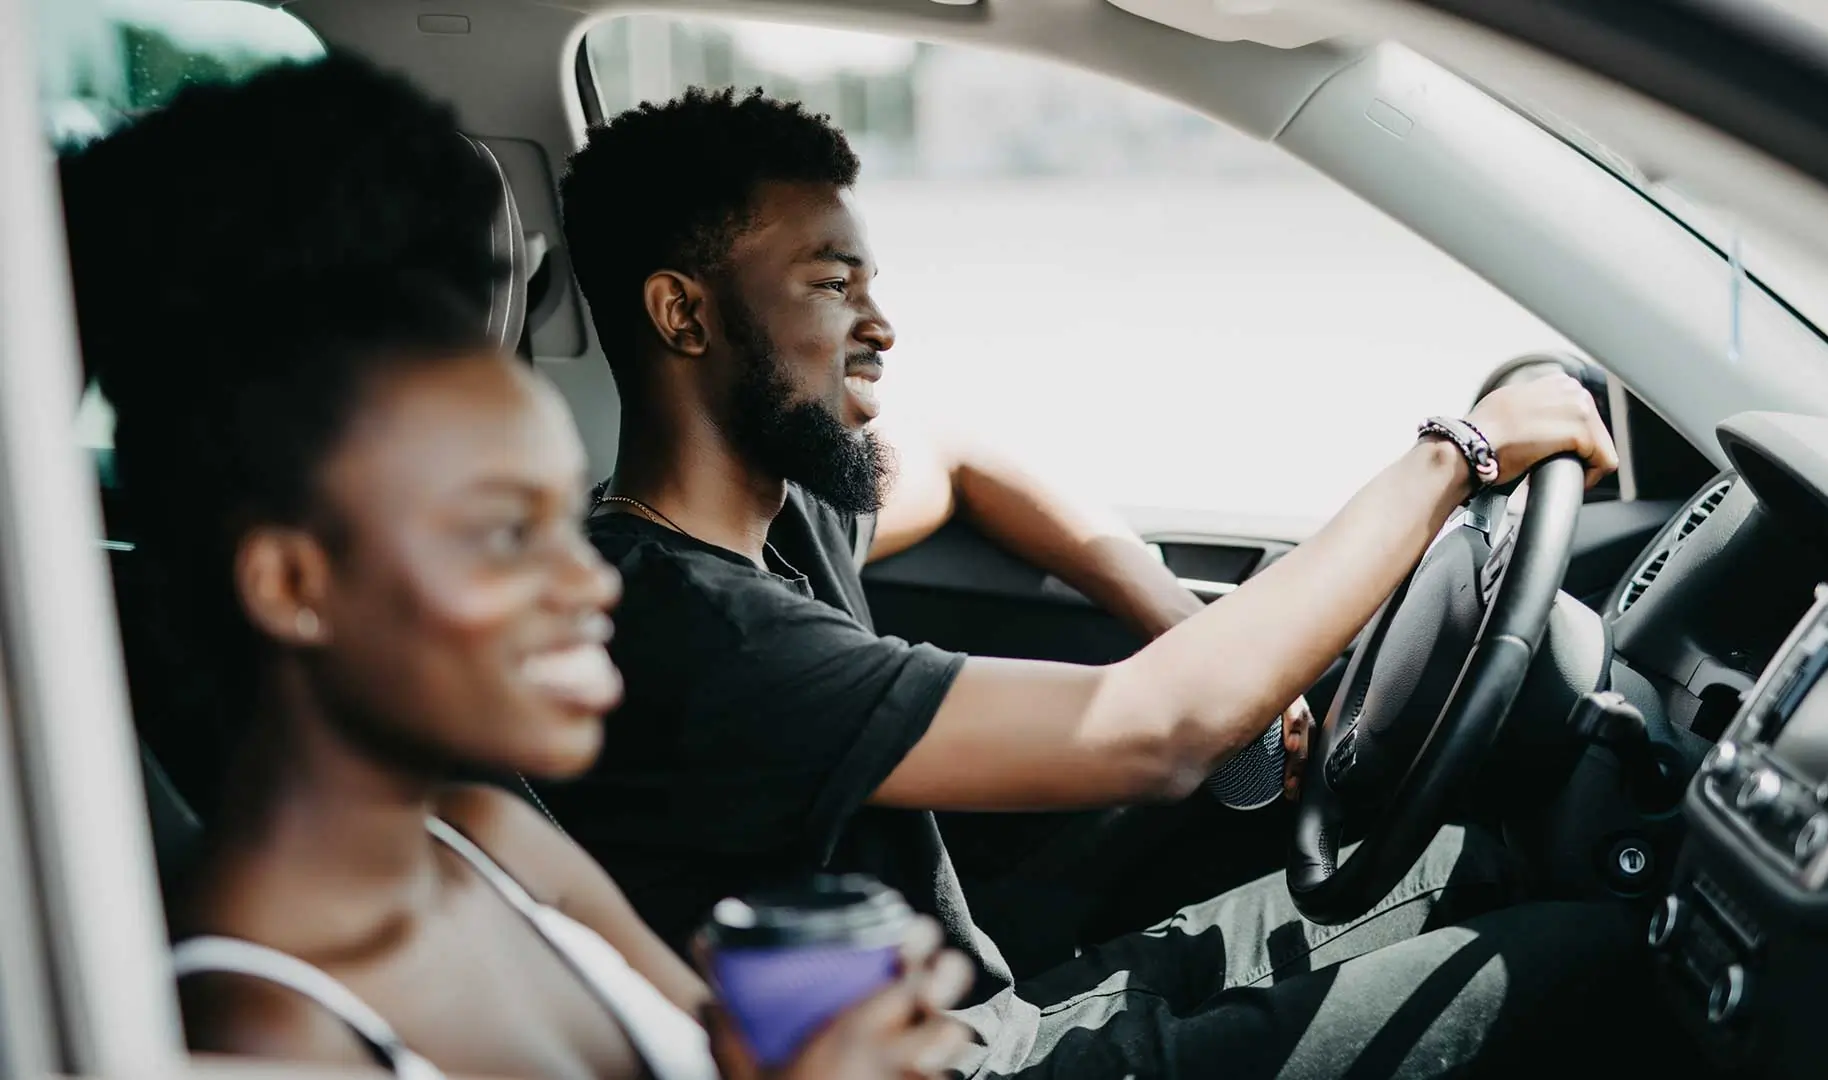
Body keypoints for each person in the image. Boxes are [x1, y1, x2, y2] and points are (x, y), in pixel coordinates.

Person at [549, 88, 1662, 1077]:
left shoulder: (780, 516)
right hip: (948, 1064)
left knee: (1487, 866)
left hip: (985, 1017)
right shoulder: (687, 628)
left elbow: (966, 460)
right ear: (683, 313)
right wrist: (1454, 456)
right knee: (1586, 964)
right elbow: (1154, 729)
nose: (880, 325)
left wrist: (1169, 607)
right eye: (832, 284)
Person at [61, 57, 974, 1080]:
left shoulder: (490, 841)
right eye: (505, 534)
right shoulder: (256, 1033)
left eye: (561, 516)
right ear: (290, 585)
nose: (590, 579)